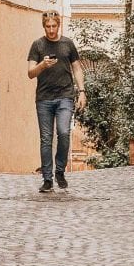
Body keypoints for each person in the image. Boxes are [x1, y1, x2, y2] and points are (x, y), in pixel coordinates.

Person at [26, 10, 84, 193]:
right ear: (44, 26)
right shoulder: (37, 45)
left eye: (54, 26)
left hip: (65, 96)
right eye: (48, 26)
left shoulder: (68, 44)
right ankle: (47, 179)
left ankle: (60, 170)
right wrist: (42, 65)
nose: (51, 30)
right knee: (46, 139)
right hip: (44, 98)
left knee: (64, 132)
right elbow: (30, 73)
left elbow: (77, 68)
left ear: (59, 25)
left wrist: (82, 91)